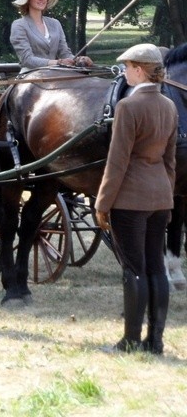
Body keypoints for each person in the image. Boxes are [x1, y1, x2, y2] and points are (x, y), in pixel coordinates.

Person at [95, 43, 178, 354]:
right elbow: (169, 162)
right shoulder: (169, 106)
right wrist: (166, 197)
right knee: (156, 267)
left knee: (134, 268)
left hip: (130, 199)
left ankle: (130, 341)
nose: (125, 71)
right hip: (159, 197)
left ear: (140, 70)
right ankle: (154, 341)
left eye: (128, 66)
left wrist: (103, 203)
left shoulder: (128, 107)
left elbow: (117, 162)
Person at [9, 0, 92, 71]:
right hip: (30, 74)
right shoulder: (19, 25)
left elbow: (64, 53)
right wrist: (57, 62)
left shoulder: (55, 23)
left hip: (55, 73)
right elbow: (27, 59)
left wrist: (78, 60)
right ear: (28, 0)